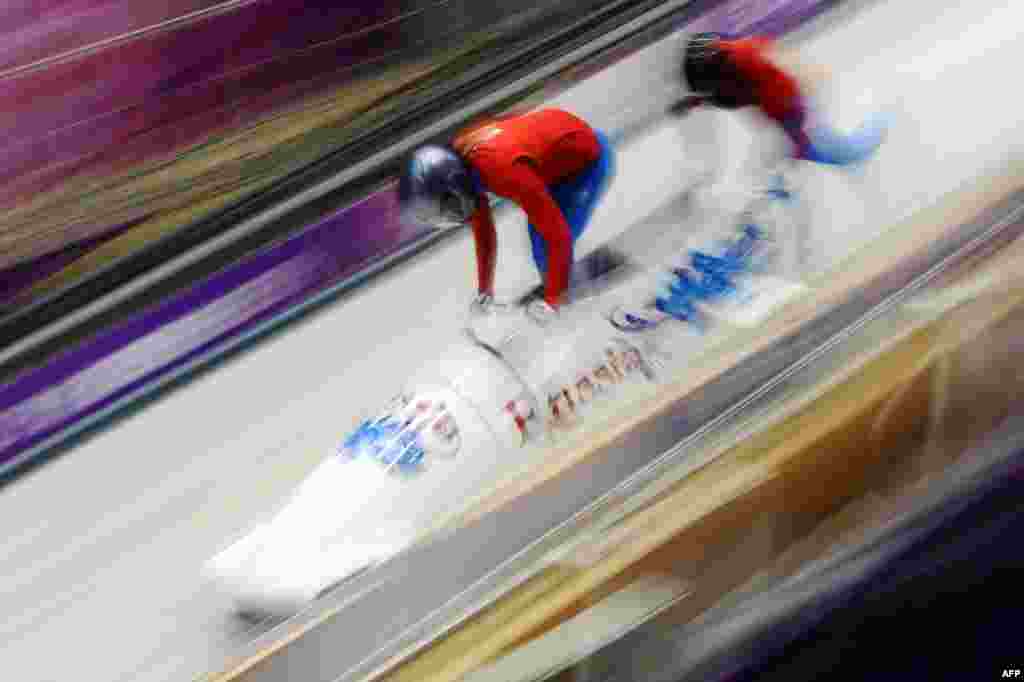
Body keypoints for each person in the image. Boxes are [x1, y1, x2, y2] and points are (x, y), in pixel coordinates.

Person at [399, 108, 615, 325]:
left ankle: (579, 307)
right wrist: (485, 291)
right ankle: (565, 289)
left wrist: (553, 301)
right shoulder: (459, 163)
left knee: (545, 247)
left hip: (587, 163)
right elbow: (483, 231)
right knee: (541, 244)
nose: (452, 215)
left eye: (447, 208)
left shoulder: (501, 170)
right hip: (557, 156)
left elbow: (558, 237)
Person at [671, 32, 886, 166]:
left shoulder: (746, 61)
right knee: (792, 151)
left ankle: (858, 145)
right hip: (786, 99)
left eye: (706, 83)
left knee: (798, 151)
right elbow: (731, 98)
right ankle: (848, 149)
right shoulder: (732, 62)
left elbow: (739, 97)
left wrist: (796, 138)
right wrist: (696, 102)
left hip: (791, 99)